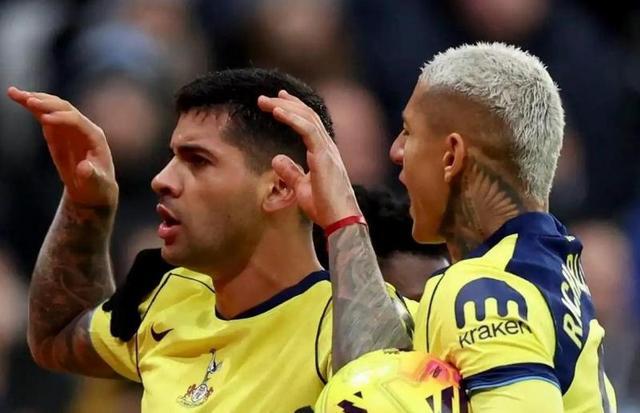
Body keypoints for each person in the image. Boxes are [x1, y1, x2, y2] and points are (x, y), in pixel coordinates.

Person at [7, 68, 412, 412]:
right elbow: (55, 337)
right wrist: (86, 205)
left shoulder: (352, 323)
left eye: (197, 161)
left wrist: (342, 215)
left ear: (279, 188)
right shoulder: (169, 297)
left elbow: (380, 389)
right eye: (172, 157)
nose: (162, 179)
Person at [258, 42, 616, 412]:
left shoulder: (480, 292)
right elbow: (370, 373)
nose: (396, 150)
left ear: (451, 157)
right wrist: (342, 216)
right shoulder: (548, 270)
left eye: (408, 131)